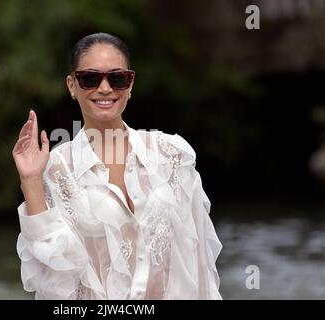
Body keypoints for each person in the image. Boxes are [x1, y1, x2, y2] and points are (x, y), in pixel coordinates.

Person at [12, 32, 222, 299]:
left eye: (117, 78)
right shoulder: (55, 168)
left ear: (131, 83)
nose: (105, 88)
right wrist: (30, 180)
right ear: (72, 85)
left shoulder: (172, 154)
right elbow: (52, 280)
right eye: (90, 78)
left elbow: (200, 261)